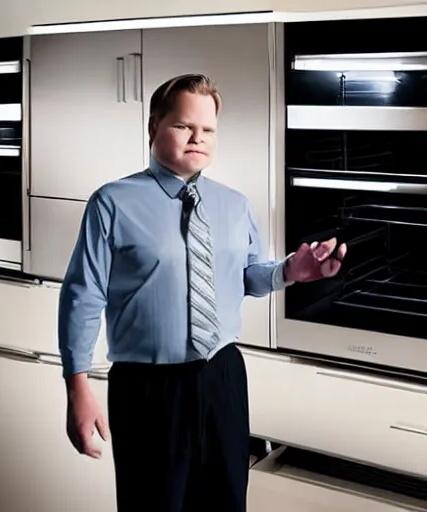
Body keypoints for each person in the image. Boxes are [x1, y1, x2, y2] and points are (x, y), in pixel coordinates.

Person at [58, 74, 347, 512]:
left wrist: (291, 270)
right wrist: (77, 387)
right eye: (183, 126)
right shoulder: (112, 203)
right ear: (154, 125)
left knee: (225, 502)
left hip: (223, 377)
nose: (198, 138)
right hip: (148, 387)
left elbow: (248, 275)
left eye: (208, 129)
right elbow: (83, 295)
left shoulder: (234, 204)